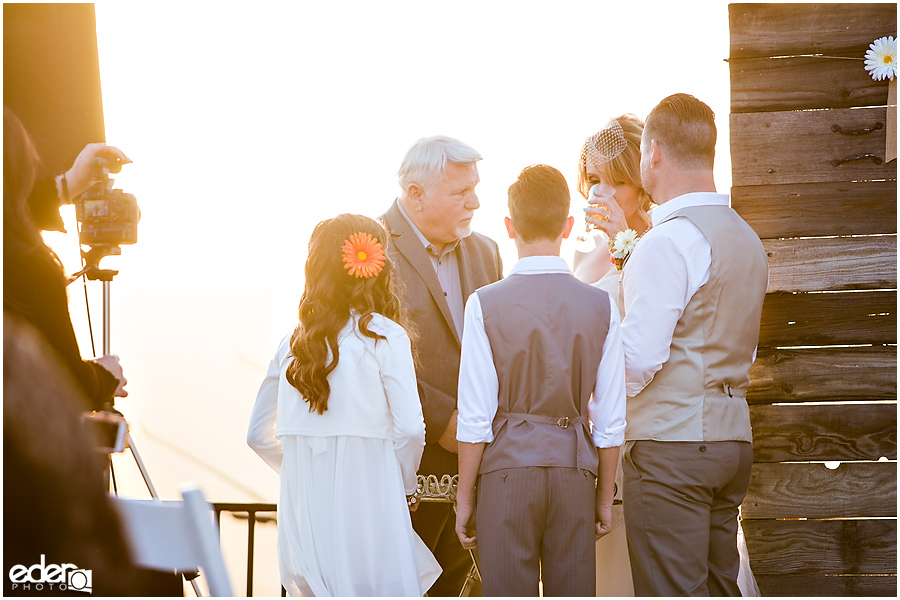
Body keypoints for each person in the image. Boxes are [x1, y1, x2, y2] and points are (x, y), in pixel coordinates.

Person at [576, 112, 760, 597]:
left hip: (670, 448)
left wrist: (591, 407)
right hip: (731, 442)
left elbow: (636, 359)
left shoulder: (668, 241)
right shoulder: (746, 238)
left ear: (652, 154)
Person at [247, 214, 441, 596]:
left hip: (306, 518)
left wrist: (305, 468)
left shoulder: (291, 346)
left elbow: (257, 435)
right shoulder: (385, 337)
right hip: (370, 506)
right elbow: (410, 429)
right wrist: (403, 487)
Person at [454, 164, 626, 596]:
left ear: (510, 227)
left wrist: (465, 499)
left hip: (507, 475)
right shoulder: (602, 306)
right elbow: (610, 421)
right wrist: (604, 498)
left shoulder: (483, 305)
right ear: (568, 226)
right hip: (574, 474)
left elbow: (475, 419)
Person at [379, 135, 503, 596]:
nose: (474, 201)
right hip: (406, 473)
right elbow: (375, 355)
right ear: (416, 194)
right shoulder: (372, 249)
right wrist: (442, 419)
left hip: (477, 464)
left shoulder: (486, 252)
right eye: (459, 193)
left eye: (474, 188)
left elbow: (498, 349)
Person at [3, 106, 129, 410]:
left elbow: (12, 205)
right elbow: (68, 383)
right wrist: (104, 375)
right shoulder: (30, 270)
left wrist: (70, 183)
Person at [573, 115, 653, 290]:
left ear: (641, 185)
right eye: (594, 180)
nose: (602, 192)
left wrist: (625, 244)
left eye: (617, 181)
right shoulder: (583, 250)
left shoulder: (656, 242)